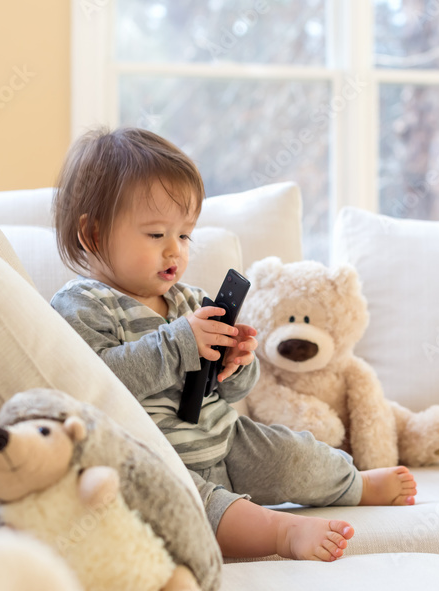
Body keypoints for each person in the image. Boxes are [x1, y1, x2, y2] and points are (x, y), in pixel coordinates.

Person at [49, 127, 416, 562]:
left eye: (184, 235)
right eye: (155, 235)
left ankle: (354, 484)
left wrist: (236, 365)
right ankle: (279, 533)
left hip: (225, 438)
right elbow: (96, 385)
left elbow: (229, 392)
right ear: (92, 234)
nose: (175, 251)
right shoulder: (83, 304)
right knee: (193, 509)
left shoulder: (185, 300)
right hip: (159, 460)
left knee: (294, 456)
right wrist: (179, 343)